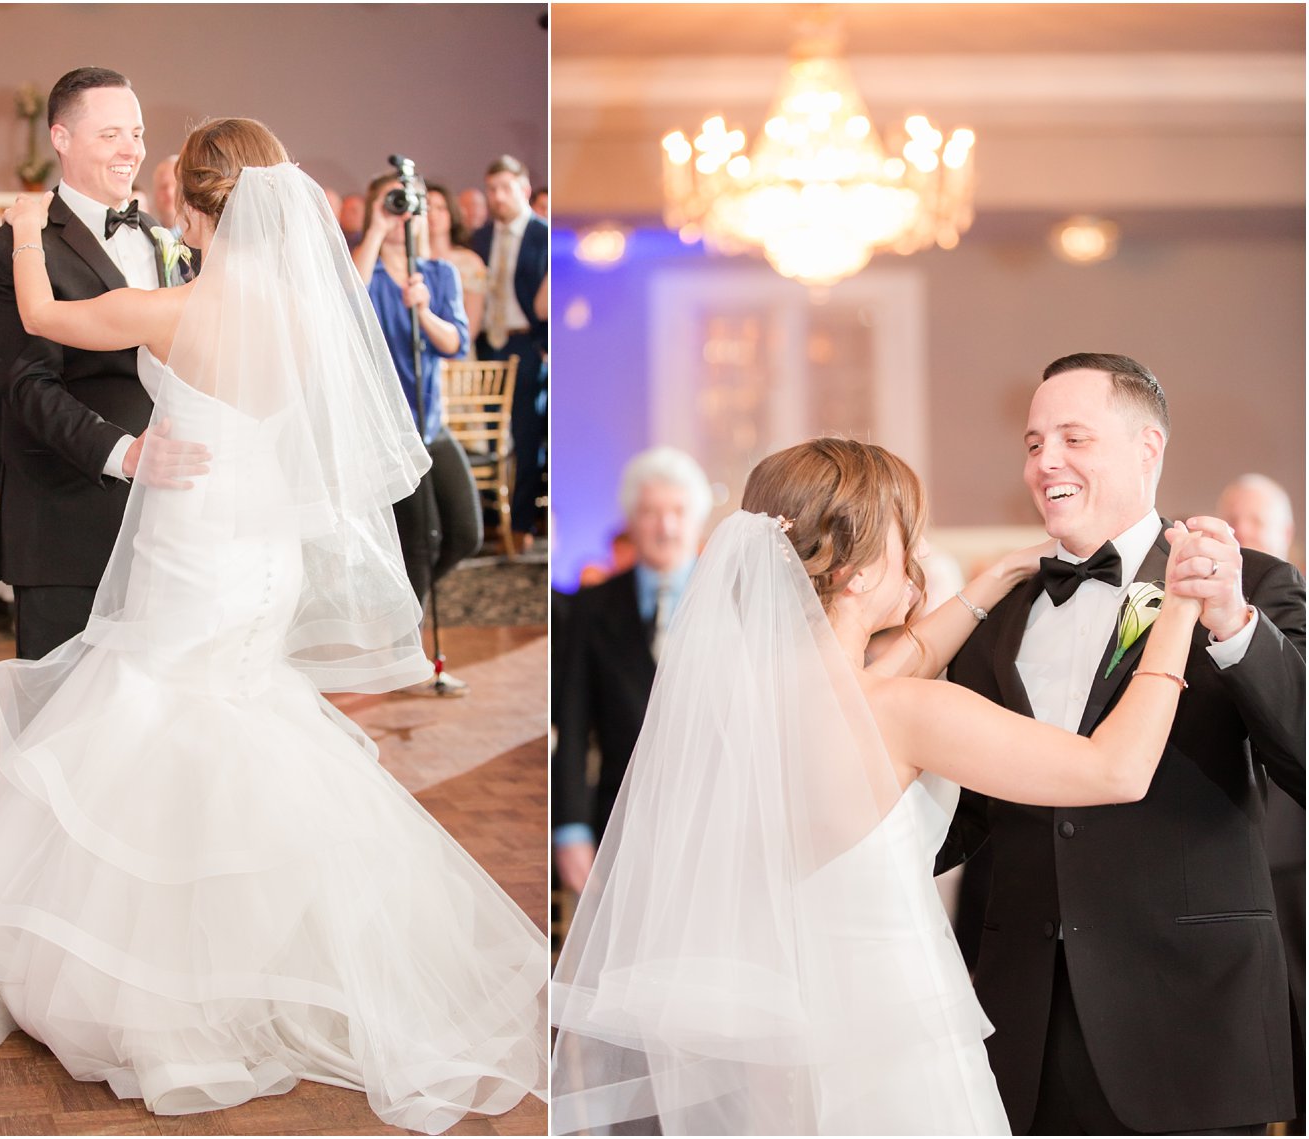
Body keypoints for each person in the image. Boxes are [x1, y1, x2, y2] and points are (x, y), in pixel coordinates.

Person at [0, 117, 547, 1131]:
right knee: (241, 721)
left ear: (194, 208)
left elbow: (45, 313)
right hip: (261, 547)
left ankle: (163, 989)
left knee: (155, 722)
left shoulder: (170, 306)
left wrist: (11, 223)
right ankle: (268, 964)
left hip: (193, 540)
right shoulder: (307, 313)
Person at [551, 435, 1208, 1135]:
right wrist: (1179, 612)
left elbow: (907, 657)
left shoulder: (748, 704)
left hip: (788, 1054)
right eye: (908, 537)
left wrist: (991, 582)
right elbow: (1117, 768)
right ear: (857, 574)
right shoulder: (904, 714)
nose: (918, 557)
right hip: (895, 1050)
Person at [936, 354, 1304, 1135]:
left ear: (1148, 449)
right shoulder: (997, 617)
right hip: (1023, 1028)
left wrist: (1234, 626)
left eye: (1074, 437)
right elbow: (961, 815)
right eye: (1034, 443)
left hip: (1191, 1024)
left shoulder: (1253, 585)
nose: (1046, 462)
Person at [0, 67, 190, 661]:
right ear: (61, 139)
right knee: (63, 727)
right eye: (110, 135)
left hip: (171, 523)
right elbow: (27, 385)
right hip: (68, 519)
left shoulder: (164, 239)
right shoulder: (13, 249)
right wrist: (125, 454)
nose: (132, 151)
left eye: (138, 133)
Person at [551, 447, 710, 895]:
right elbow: (574, 724)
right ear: (630, 521)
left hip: (716, 821)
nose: (666, 526)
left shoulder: (735, 602)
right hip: (620, 823)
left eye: (678, 511)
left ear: (696, 520)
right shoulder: (590, 607)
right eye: (650, 512)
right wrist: (570, 829)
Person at [353, 171, 483, 694]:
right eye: (399, 205)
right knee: (418, 544)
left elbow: (455, 342)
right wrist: (377, 230)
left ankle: (399, 622)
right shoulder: (367, 270)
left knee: (465, 532)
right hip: (387, 429)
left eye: (420, 206)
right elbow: (344, 302)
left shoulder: (438, 273)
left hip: (431, 422)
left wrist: (424, 310)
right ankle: (409, 652)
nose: (413, 215)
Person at [1216, 470, 1304, 1134]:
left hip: (1291, 836)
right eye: (1232, 518)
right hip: (1225, 835)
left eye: (1259, 522)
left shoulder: (1286, 595)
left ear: (1286, 535)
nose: (1244, 531)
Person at [470, 156, 547, 553]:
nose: (497, 197)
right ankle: (486, 520)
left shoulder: (542, 234)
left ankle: (520, 523)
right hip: (486, 342)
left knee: (525, 432)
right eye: (491, 189)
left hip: (526, 341)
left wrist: (546, 347)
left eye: (504, 188)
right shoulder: (480, 238)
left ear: (523, 189)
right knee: (486, 434)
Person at [425, 183, 487, 347]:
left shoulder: (470, 261)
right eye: (427, 208)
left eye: (440, 208)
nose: (433, 215)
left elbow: (472, 321)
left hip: (458, 351)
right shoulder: (409, 259)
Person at [150, 155, 179, 234]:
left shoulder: (204, 239)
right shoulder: (146, 236)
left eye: (175, 184)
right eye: (163, 186)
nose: (169, 192)